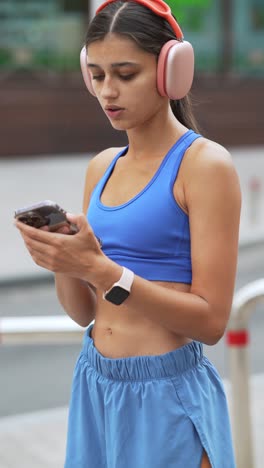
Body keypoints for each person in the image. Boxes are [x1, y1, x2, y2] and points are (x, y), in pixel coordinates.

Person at [15, 0, 241, 467]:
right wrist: (63, 261)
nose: (108, 92)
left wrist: (104, 271)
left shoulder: (204, 165)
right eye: (97, 76)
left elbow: (211, 322)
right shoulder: (102, 167)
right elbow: (82, 314)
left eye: (125, 74)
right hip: (95, 384)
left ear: (169, 73)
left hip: (168, 397)